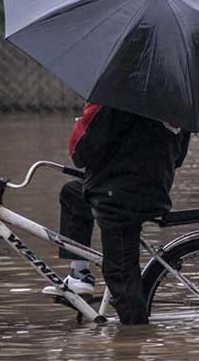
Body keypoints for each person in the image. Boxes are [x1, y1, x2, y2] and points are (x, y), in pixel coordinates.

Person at [42, 102, 190, 324]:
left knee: (120, 277)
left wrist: (83, 122)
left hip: (121, 198)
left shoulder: (117, 95)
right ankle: (79, 275)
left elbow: (81, 153)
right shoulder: (177, 99)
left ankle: (135, 341)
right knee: (73, 194)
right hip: (153, 186)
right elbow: (178, 158)